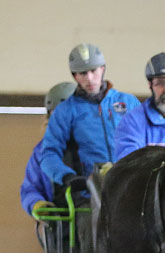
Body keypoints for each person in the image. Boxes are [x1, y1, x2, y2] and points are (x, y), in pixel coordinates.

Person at [39, 43, 139, 187]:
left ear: (102, 69)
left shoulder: (128, 102)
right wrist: (66, 176)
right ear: (75, 76)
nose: (90, 78)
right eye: (82, 73)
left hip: (133, 183)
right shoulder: (65, 111)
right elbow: (48, 153)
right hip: (91, 189)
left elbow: (148, 139)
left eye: (93, 71)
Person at [20, 82, 78, 216]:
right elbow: (30, 188)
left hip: (97, 225)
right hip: (59, 226)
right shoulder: (42, 151)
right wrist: (36, 204)